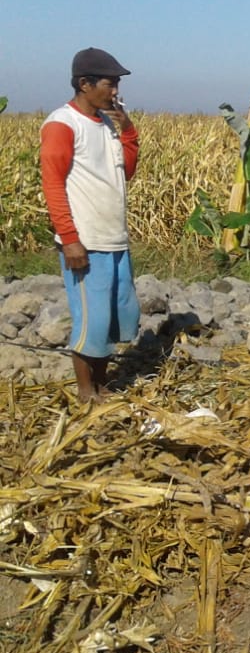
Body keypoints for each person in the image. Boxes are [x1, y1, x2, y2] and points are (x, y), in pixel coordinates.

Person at [40, 47, 141, 403]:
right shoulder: (62, 125)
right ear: (85, 84)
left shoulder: (108, 124)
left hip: (114, 238)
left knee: (115, 317)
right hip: (86, 241)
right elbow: (52, 183)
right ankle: (86, 392)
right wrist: (69, 239)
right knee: (91, 320)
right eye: (109, 84)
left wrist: (128, 131)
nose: (115, 91)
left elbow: (124, 172)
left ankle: (102, 384)